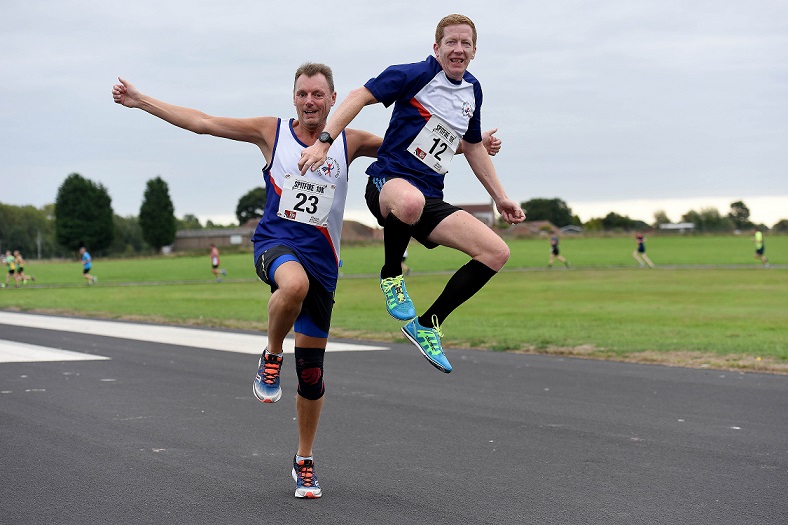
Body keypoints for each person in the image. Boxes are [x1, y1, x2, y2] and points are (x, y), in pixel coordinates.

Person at [112, 64, 502, 498]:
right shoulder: (270, 132)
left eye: (319, 94)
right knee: (291, 286)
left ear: (334, 100)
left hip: (325, 263)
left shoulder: (348, 141)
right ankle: (271, 353)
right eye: (303, 94)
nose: (311, 101)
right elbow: (204, 123)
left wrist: (476, 143)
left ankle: (304, 461)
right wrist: (141, 101)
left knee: (313, 375)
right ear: (293, 97)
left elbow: (409, 147)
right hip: (276, 245)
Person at [299, 14, 525, 374]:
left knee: (496, 252)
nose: (458, 49)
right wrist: (325, 140)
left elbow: (470, 145)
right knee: (409, 201)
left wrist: (501, 197)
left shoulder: (472, 90)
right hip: (388, 184)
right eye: (451, 42)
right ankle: (391, 275)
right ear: (436, 48)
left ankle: (428, 324)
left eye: (465, 43)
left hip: (429, 198)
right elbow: (358, 95)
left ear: (474, 51)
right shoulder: (413, 75)